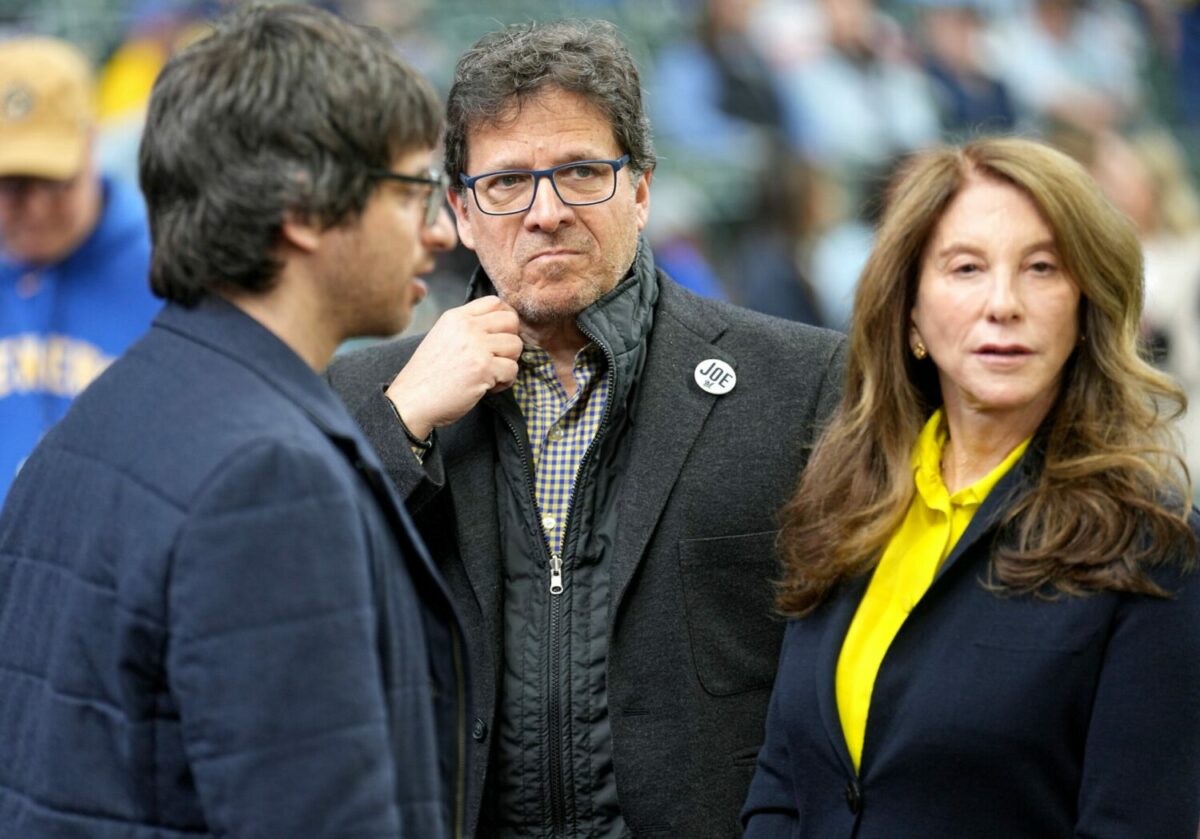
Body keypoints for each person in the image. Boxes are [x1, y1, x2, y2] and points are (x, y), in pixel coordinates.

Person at [327, 18, 846, 838]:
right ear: (461, 210)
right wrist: (403, 424)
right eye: (505, 184)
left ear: (641, 190)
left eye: (580, 172)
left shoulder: (803, 381)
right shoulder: (366, 391)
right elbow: (306, 621)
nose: (546, 212)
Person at [0, 5, 465, 837]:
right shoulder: (268, 476)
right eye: (411, 190)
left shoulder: (97, 422)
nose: (438, 230)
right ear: (301, 207)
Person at [742, 136, 1200, 837]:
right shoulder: (843, 500)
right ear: (912, 313)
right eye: (965, 267)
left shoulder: (1153, 542)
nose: (1003, 303)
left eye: (1042, 267)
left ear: (1084, 308)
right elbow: (785, 780)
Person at [0, 35, 161, 502]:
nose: (33, 209)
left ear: (90, 145)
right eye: (9, 185)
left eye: (52, 182)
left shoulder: (167, 269)